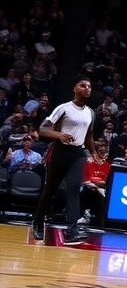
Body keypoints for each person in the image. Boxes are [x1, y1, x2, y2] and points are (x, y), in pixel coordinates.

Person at [31, 77, 97, 245]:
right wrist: (59, 135)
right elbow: (43, 129)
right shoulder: (64, 108)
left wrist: (94, 153)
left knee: (74, 188)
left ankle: (72, 231)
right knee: (50, 189)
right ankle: (38, 222)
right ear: (75, 88)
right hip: (60, 152)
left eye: (89, 86)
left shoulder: (91, 112)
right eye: (83, 85)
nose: (87, 88)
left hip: (78, 153)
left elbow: (89, 135)